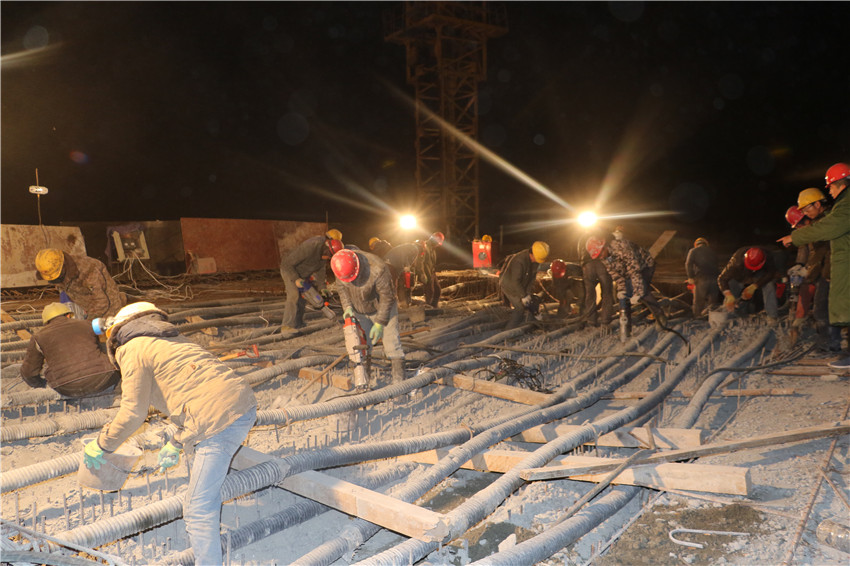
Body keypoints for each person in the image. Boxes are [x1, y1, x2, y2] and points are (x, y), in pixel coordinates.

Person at [83, 302, 256, 566]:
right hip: (242, 404)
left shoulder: (132, 348)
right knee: (206, 480)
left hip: (216, 422)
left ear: (118, 333)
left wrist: (102, 444)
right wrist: (176, 442)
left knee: (198, 508)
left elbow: (133, 412)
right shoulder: (172, 340)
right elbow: (193, 392)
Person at [778, 163, 850, 368]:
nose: (830, 191)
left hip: (835, 270)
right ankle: (834, 346)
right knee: (830, 309)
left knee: (830, 309)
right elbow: (811, 252)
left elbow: (825, 246)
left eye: (831, 187)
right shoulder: (830, 215)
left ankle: (833, 345)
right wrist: (802, 266)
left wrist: (796, 239)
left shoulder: (833, 216)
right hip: (829, 270)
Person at [330, 249, 406, 385]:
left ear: (357, 267)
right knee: (362, 346)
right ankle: (365, 379)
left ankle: (399, 383)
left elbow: (387, 297)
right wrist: (347, 307)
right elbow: (342, 289)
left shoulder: (378, 269)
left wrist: (380, 322)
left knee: (392, 343)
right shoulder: (340, 267)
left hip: (382, 307)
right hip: (359, 310)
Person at [20, 302, 120, 398]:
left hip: (66, 387)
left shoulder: (38, 337)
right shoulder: (87, 324)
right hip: (103, 379)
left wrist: (41, 384)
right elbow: (103, 350)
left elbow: (28, 373)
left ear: (46, 322)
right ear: (68, 315)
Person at [596, 234, 667, 330]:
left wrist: (637, 292)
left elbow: (634, 271)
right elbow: (616, 275)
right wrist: (622, 289)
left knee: (643, 290)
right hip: (628, 270)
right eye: (598, 256)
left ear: (604, 247)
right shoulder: (605, 258)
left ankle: (660, 316)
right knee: (626, 295)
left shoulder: (622, 248)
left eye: (600, 254)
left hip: (645, 266)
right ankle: (626, 325)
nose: (600, 257)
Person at [34, 248, 126, 319]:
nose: (55, 280)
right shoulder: (56, 269)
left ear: (63, 266)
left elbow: (102, 302)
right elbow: (62, 288)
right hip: (83, 303)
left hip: (108, 308)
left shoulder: (88, 270)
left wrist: (89, 322)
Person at [279, 233, 344, 331]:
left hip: (303, 274)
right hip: (290, 270)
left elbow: (321, 273)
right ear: (327, 247)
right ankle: (287, 325)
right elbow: (287, 264)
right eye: (329, 255)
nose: (328, 258)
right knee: (294, 295)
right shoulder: (311, 246)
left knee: (303, 298)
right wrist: (295, 278)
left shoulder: (324, 255)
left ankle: (298, 323)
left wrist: (322, 288)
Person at [717, 246, 779, 320]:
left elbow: (770, 273)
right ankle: (726, 316)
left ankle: (772, 316)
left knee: (769, 285)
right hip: (741, 275)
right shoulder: (736, 261)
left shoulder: (768, 256)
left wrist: (754, 286)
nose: (752, 269)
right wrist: (728, 295)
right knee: (731, 286)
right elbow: (722, 279)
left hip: (760, 274)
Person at [499, 241, 550, 329]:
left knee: (532, 301)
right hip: (509, 285)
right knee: (520, 309)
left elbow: (531, 279)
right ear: (532, 254)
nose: (537, 261)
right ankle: (508, 331)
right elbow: (514, 282)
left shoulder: (535, 261)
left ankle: (530, 323)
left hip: (521, 283)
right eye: (537, 259)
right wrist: (523, 296)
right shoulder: (519, 261)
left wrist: (528, 294)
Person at [579, 234, 614, 327]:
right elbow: (610, 248)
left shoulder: (583, 236)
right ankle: (605, 320)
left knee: (590, 293)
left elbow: (580, 251)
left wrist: (583, 264)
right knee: (607, 292)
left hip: (587, 265)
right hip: (602, 262)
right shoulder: (604, 232)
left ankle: (591, 320)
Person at [685, 237, 720, 318]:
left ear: (696, 244)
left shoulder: (693, 251)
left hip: (702, 278)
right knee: (713, 303)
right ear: (706, 244)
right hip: (715, 278)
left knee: (698, 302)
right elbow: (716, 264)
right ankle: (712, 319)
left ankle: (697, 318)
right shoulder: (712, 251)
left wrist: (691, 277)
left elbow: (688, 264)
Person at [385, 241, 425, 308]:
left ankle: (396, 303)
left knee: (393, 284)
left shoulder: (407, 246)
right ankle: (394, 305)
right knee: (393, 285)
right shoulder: (415, 248)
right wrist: (406, 266)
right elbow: (404, 255)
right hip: (391, 265)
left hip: (388, 263)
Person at [412, 232, 443, 308]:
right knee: (430, 291)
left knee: (437, 290)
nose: (438, 245)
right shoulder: (424, 247)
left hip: (431, 272)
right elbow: (420, 262)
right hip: (426, 273)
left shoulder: (432, 249)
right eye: (438, 242)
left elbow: (432, 262)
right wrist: (422, 274)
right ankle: (428, 307)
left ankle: (434, 306)